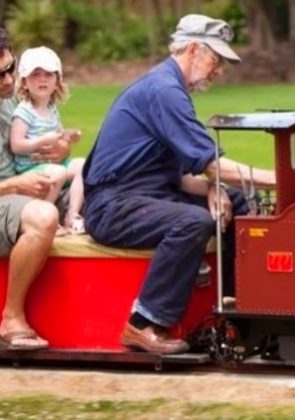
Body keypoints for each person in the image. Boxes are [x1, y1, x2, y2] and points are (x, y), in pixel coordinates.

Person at [82, 14, 274, 354]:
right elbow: (212, 163)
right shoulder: (164, 91)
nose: (219, 70)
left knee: (240, 200)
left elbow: (189, 172)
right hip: (112, 205)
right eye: (216, 59)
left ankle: (234, 308)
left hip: (149, 195)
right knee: (193, 221)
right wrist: (280, 179)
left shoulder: (170, 88)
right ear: (193, 49)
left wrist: (215, 187)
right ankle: (141, 323)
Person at [0, 28, 72, 350]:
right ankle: (11, 317)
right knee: (43, 216)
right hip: (6, 195)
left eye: (11, 69)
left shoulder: (14, 102)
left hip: (23, 188)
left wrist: (58, 152)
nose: (8, 80)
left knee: (103, 178)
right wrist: (17, 184)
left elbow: (30, 150)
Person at [10, 46, 84, 234]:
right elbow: (16, 145)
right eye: (35, 74)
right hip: (30, 168)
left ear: (57, 81)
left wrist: (68, 136)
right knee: (58, 172)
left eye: (49, 74)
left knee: (82, 165)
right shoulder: (24, 111)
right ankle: (48, 218)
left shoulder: (51, 108)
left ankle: (72, 216)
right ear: (24, 82)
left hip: (51, 164)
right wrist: (42, 141)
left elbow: (57, 134)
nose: (42, 79)